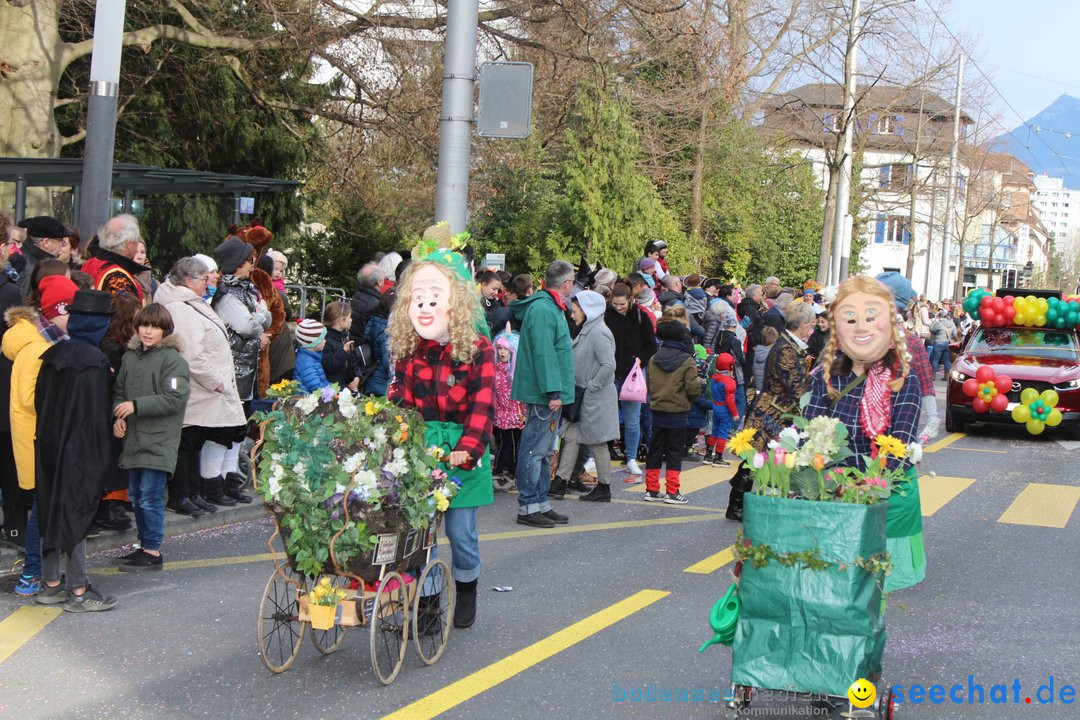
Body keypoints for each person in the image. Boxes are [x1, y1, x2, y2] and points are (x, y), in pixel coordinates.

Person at [387, 248, 496, 630]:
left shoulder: (479, 348)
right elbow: (400, 397)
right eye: (419, 298)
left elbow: (483, 406)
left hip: (463, 447)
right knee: (421, 533)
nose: (426, 306)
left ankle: (467, 588)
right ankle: (430, 602)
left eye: (434, 298)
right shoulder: (411, 346)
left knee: (461, 533)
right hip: (421, 448)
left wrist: (468, 449)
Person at [804, 275, 924, 591]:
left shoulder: (902, 378)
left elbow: (899, 451)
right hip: (830, 500)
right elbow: (809, 432)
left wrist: (850, 477)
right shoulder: (829, 375)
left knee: (867, 598)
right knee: (823, 591)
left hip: (879, 503)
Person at [33, 290, 118, 612]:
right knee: (78, 512)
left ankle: (51, 583)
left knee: (51, 508)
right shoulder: (95, 362)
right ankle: (79, 589)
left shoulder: (53, 357)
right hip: (81, 448)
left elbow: (38, 403)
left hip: (49, 444)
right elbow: (96, 415)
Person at [155, 257, 248, 513]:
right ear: (188, 280)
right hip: (197, 386)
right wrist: (216, 382)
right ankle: (181, 496)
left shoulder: (187, 302)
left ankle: (193, 493)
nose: (208, 283)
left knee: (195, 442)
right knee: (186, 443)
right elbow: (191, 353)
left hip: (202, 387)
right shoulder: (179, 307)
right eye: (204, 279)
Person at [3, 278, 71, 596]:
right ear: (57, 311)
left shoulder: (39, 342)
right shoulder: (37, 349)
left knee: (42, 509)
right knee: (41, 512)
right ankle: (31, 574)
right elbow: (34, 399)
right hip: (39, 441)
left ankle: (37, 573)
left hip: (36, 439)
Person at [111, 304, 190, 571]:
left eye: (155, 327)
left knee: (150, 496)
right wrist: (119, 416)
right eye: (144, 325)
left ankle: (153, 550)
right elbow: (120, 392)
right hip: (133, 437)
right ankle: (144, 546)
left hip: (159, 438)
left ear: (165, 330)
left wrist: (136, 406)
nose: (148, 331)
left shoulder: (174, 360)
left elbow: (176, 397)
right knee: (136, 495)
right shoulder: (130, 357)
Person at [730, 301, 815, 521]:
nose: (811, 329)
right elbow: (797, 387)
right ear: (803, 325)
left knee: (760, 459)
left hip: (776, 410)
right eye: (811, 324)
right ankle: (736, 505)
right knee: (754, 459)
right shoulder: (787, 349)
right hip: (772, 412)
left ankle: (744, 503)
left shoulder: (788, 343)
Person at [510, 260, 576, 528]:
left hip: (549, 390)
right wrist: (553, 390)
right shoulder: (543, 309)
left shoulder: (549, 307)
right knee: (534, 450)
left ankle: (539, 502)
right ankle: (528, 506)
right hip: (544, 392)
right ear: (567, 284)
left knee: (545, 449)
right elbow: (543, 353)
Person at [553, 291, 619, 503]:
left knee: (597, 442)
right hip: (585, 396)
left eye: (575, 311)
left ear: (587, 310)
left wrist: (591, 388)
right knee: (572, 437)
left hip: (594, 397)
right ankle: (560, 482)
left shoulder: (599, 332)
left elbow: (609, 365)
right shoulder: (590, 330)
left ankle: (604, 487)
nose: (572, 316)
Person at [643, 317, 702, 504]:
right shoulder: (687, 361)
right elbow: (693, 388)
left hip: (658, 409)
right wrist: (689, 400)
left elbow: (649, 384)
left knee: (655, 449)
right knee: (674, 451)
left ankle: (652, 489)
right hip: (678, 411)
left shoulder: (653, 359)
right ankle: (672, 491)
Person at [605, 283, 656, 479]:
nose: (618, 307)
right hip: (610, 372)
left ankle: (632, 457)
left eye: (621, 304)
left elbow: (652, 346)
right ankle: (598, 454)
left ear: (631, 300)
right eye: (615, 303)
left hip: (632, 373)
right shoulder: (606, 316)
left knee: (632, 419)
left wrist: (639, 359)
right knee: (605, 416)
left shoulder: (640, 316)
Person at [81, 214, 152, 301]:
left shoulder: (91, 262)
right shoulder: (118, 278)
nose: (137, 245)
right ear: (129, 244)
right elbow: (126, 313)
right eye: (137, 241)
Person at [492, 333, 525, 491]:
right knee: (505, 444)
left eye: (506, 348)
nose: (502, 352)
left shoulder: (518, 371)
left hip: (517, 415)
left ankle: (513, 471)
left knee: (516, 444)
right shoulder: (496, 370)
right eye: (499, 348)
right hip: (502, 414)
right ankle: (499, 471)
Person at [14, 216, 69, 297]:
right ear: (46, 242)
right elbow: (25, 303)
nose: (62, 246)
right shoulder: (33, 269)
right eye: (61, 241)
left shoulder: (24, 258)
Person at [706, 353, 739, 466]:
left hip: (716, 406)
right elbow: (730, 400)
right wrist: (735, 414)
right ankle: (718, 457)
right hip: (725, 409)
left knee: (715, 431)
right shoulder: (730, 382)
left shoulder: (715, 377)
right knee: (723, 433)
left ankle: (708, 454)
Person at [321, 300, 360, 391]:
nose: (351, 320)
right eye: (349, 317)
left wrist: (357, 376)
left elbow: (353, 361)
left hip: (345, 385)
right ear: (342, 320)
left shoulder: (343, 336)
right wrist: (343, 352)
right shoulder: (325, 340)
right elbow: (328, 367)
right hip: (333, 388)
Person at [364, 289, 394, 395]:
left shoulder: (374, 320)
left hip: (375, 371)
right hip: (381, 382)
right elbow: (388, 363)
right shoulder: (387, 330)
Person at [350, 262, 384, 344]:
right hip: (365, 349)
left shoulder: (355, 297)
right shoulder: (376, 305)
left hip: (352, 345)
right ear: (379, 282)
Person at [294, 318, 331, 393]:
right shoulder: (306, 362)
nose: (325, 341)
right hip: (306, 400)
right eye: (322, 339)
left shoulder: (312, 356)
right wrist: (331, 393)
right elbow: (315, 385)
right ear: (312, 342)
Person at [928, 309, 956, 379]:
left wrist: (934, 322)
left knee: (935, 360)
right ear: (946, 316)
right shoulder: (952, 324)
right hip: (947, 343)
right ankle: (946, 376)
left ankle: (933, 376)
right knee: (947, 360)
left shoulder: (938, 323)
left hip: (938, 343)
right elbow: (955, 334)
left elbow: (931, 329)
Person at [753, 325, 779, 393]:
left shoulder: (758, 351)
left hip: (759, 386)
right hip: (770, 389)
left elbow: (753, 369)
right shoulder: (774, 354)